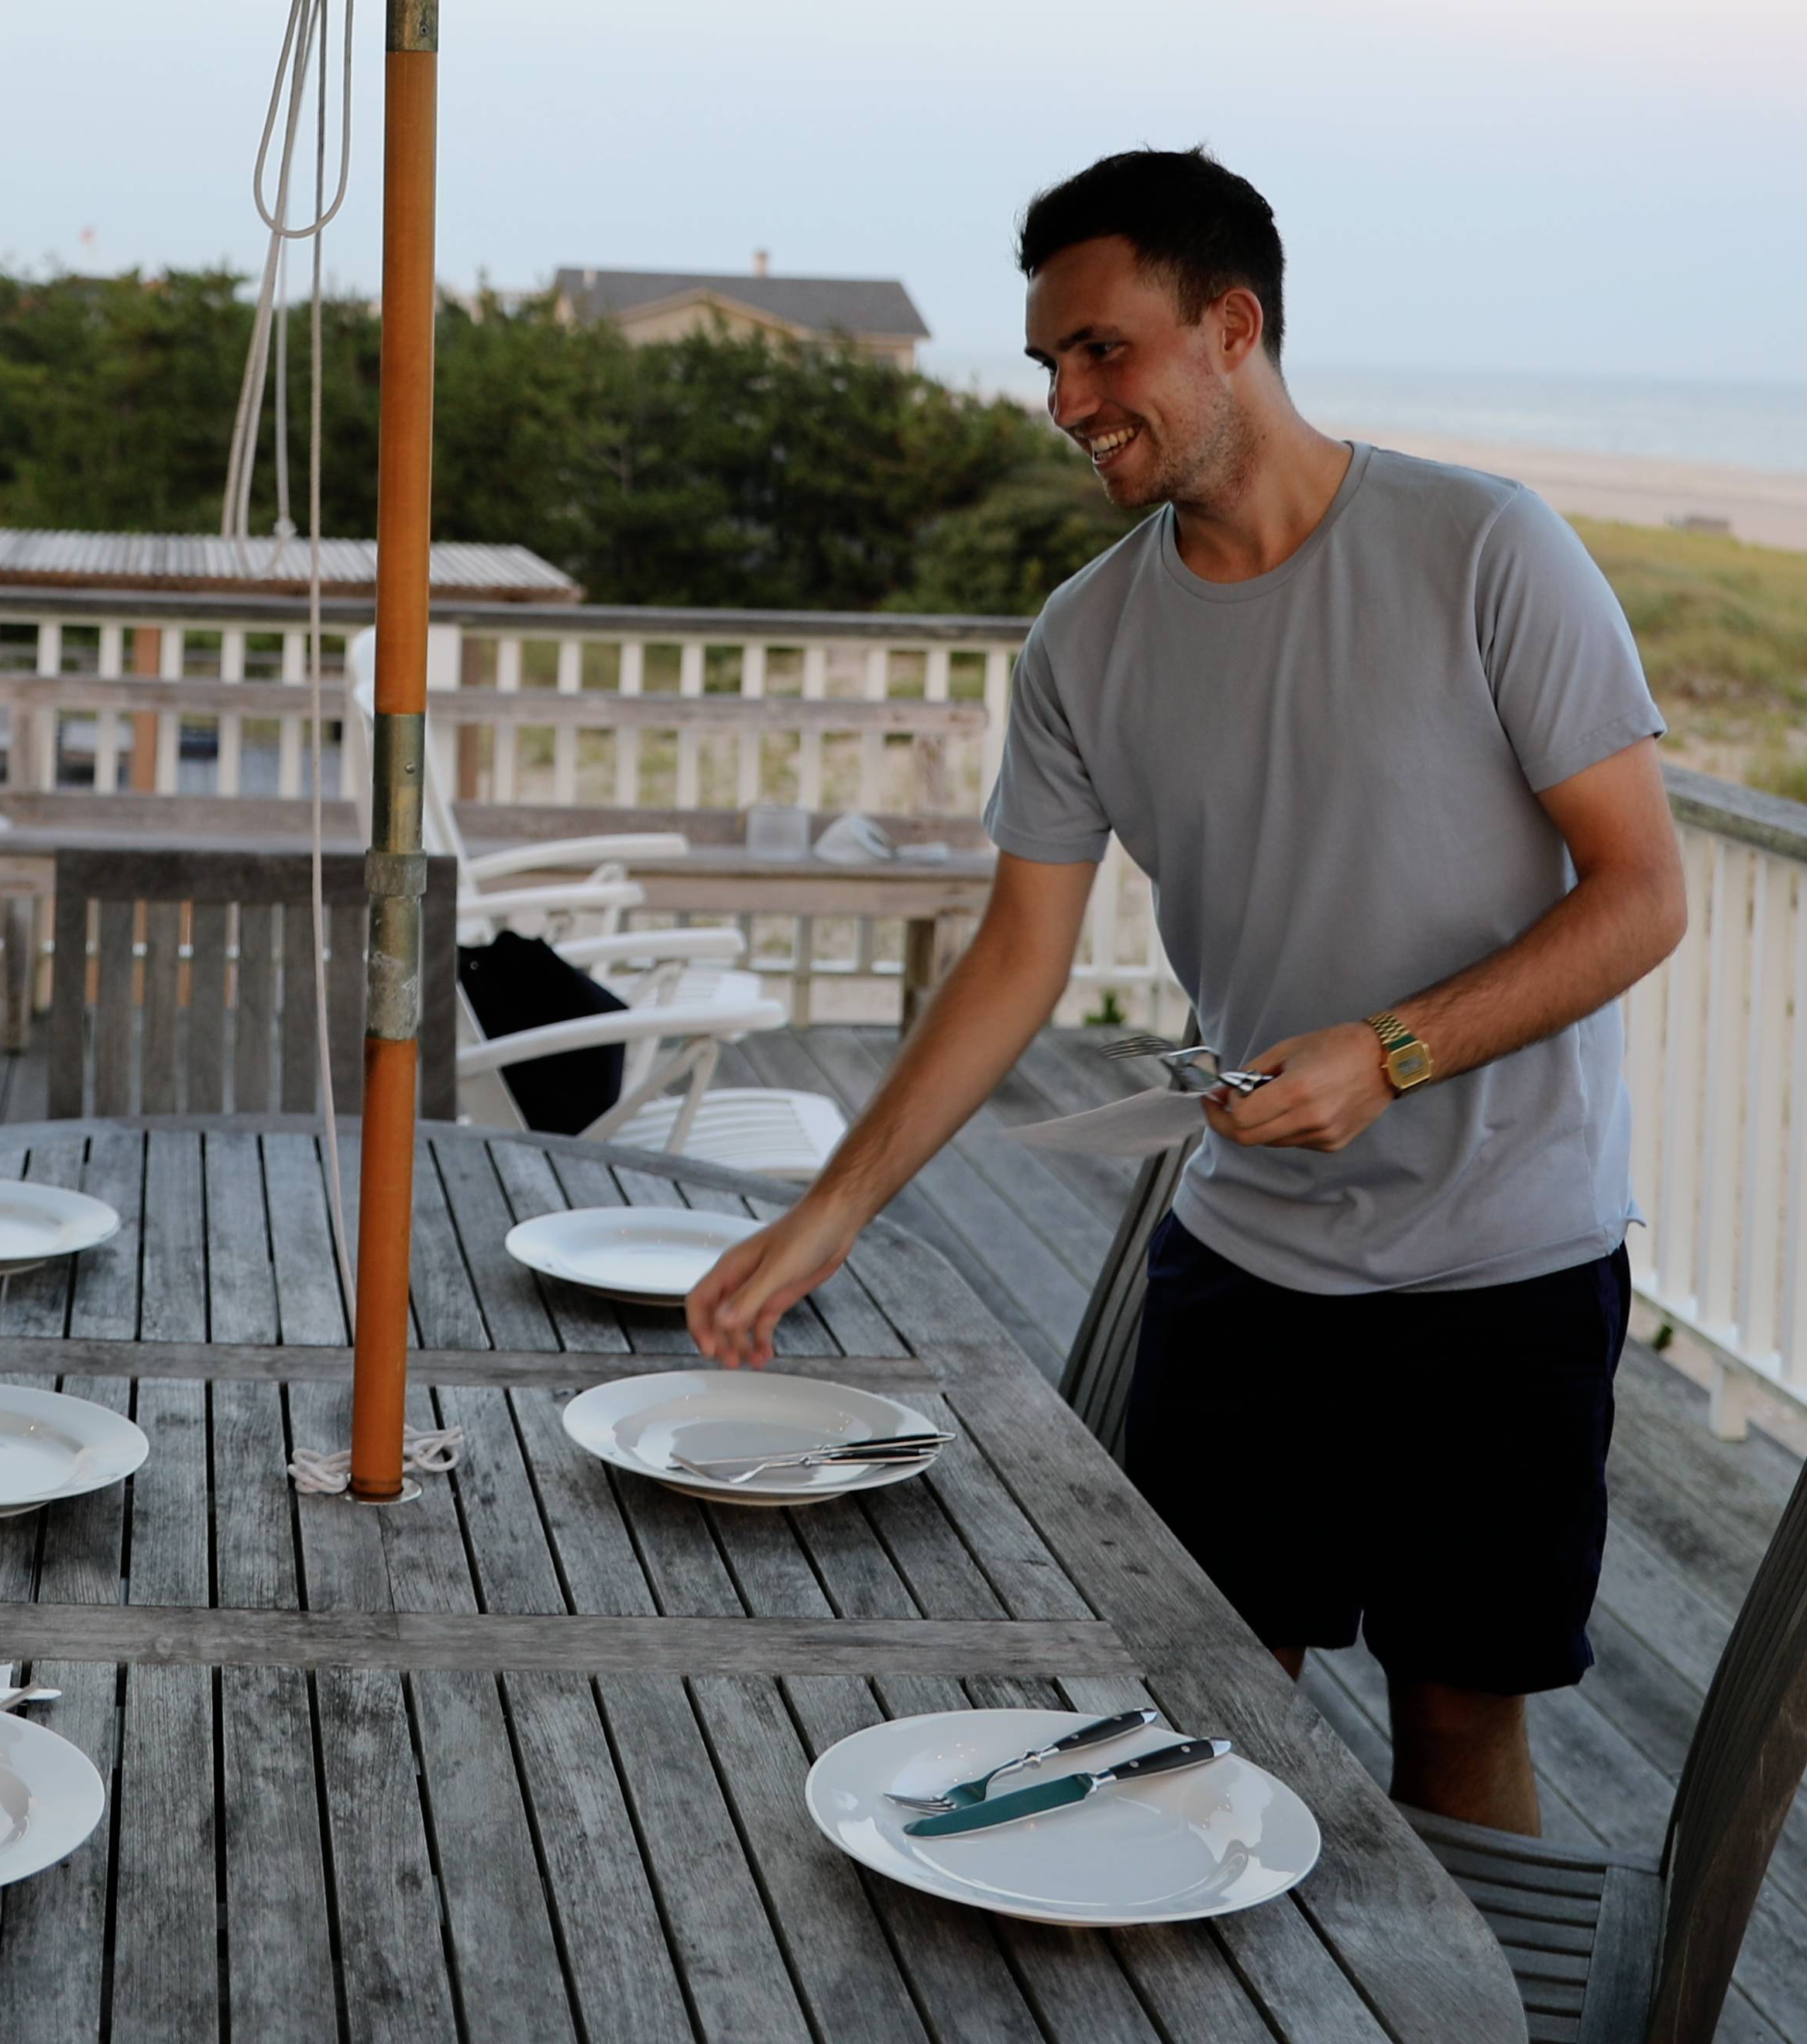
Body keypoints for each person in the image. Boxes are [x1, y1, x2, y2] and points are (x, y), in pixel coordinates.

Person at [686, 149, 1684, 1835]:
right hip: (1248, 1262)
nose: (1070, 398)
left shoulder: (1486, 547)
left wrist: (1393, 1049)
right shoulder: (1084, 638)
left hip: (1507, 1264)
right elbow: (1019, 952)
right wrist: (835, 1207)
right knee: (1198, 1727)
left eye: (1104, 349)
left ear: (1232, 325)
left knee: (1455, 1732)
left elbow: (1644, 891)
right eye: (1050, 363)